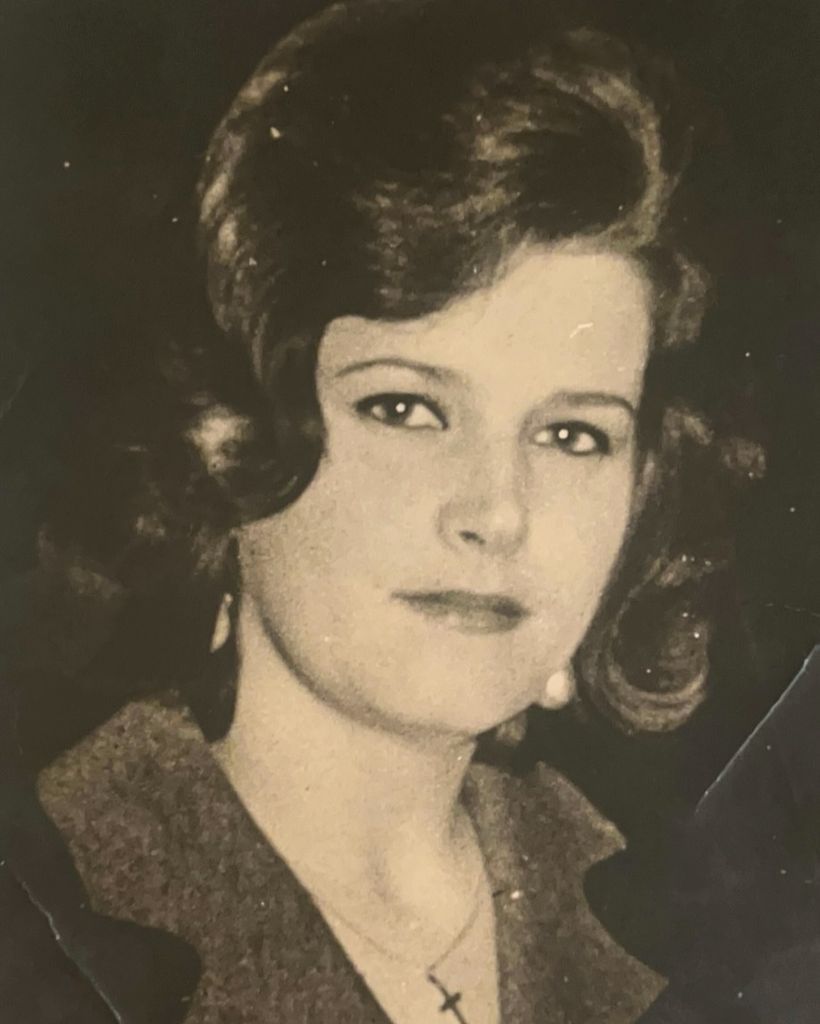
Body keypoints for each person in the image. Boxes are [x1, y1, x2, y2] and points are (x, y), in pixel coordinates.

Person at [0, 0, 760, 1021]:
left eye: (572, 434)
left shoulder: (678, 930)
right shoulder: (58, 895)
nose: (498, 511)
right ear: (232, 435)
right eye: (406, 409)